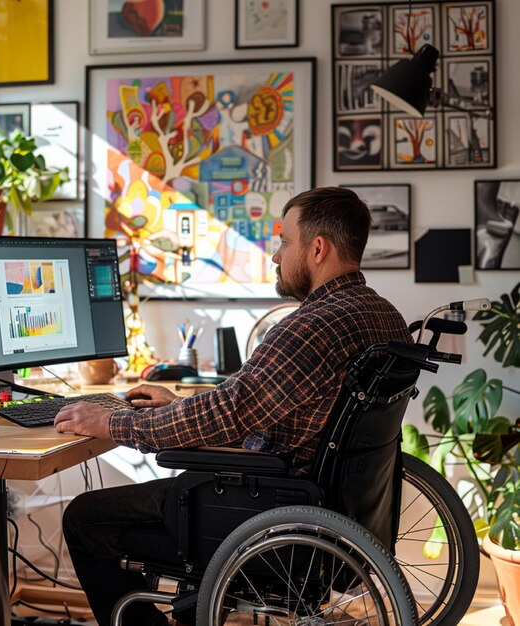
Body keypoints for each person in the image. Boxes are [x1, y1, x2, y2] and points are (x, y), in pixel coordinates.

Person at [55, 186, 413, 626]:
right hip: (330, 504)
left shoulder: (308, 328)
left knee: (85, 517)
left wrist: (114, 422)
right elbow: (252, 403)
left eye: (284, 242)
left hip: (266, 505)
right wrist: (182, 401)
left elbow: (230, 413)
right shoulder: (385, 316)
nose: (277, 257)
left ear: (317, 249)